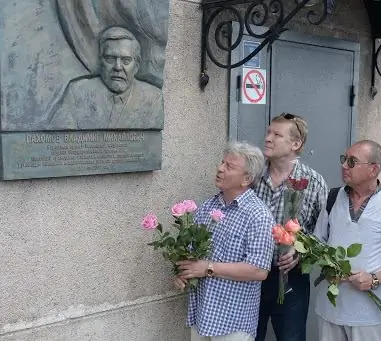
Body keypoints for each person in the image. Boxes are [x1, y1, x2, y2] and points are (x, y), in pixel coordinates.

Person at [314, 140, 381, 341]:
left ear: (373, 169)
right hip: (329, 310)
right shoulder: (333, 197)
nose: (344, 165)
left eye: (352, 161)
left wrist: (375, 279)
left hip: (369, 315)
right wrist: (323, 263)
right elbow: (318, 241)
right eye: (344, 159)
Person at [174, 141, 275, 341]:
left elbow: (259, 270)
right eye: (222, 162)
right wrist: (183, 273)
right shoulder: (208, 206)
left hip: (233, 322)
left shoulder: (258, 216)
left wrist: (208, 268)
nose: (220, 168)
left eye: (229, 166)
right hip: (202, 315)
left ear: (247, 178)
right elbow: (193, 253)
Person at [254, 113, 329, 341]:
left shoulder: (314, 182)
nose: (268, 138)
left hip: (291, 277)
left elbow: (324, 234)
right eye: (268, 132)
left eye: (276, 134)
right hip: (251, 274)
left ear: (296, 144)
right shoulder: (253, 176)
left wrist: (301, 253)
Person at [47, 26, 164, 130]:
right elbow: (58, 138)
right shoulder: (77, 93)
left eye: (126, 60)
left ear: (137, 66)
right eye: (110, 59)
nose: (118, 67)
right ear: (100, 61)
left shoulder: (153, 99)